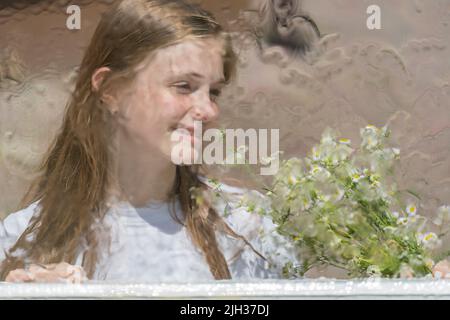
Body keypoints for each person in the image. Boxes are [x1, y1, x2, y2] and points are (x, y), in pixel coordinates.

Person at [0, 0, 296, 283]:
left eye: (214, 92)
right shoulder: (21, 238)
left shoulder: (248, 227)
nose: (209, 111)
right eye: (184, 86)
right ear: (111, 89)